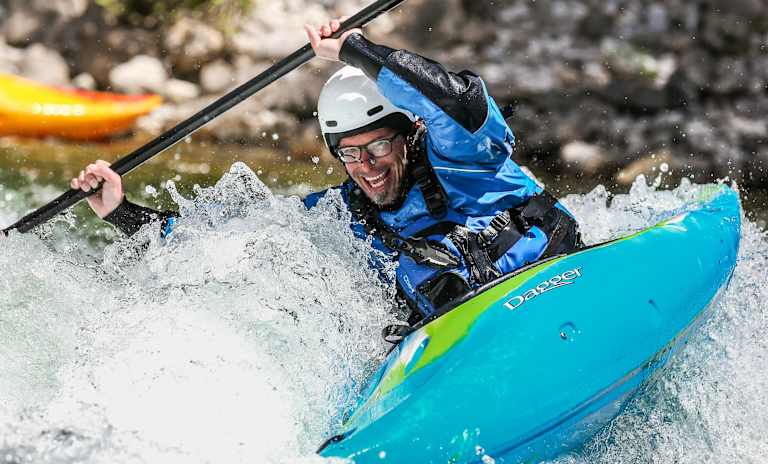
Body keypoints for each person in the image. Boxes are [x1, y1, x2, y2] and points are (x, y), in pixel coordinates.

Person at [71, 18, 582, 326]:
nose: (368, 168)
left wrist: (356, 50)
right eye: (351, 154)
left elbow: (458, 98)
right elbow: (217, 234)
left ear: (409, 133)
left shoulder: (463, 155)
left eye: (378, 145)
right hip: (468, 336)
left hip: (560, 283)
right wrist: (120, 211)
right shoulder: (343, 215)